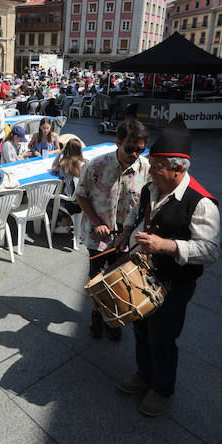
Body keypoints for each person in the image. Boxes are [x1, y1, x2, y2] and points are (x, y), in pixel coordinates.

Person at [113, 122, 220, 416]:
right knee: (140, 326)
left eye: (157, 166)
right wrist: (125, 232)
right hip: (145, 273)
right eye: (152, 164)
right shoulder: (152, 187)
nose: (150, 170)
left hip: (175, 282)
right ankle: (144, 374)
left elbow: (210, 250)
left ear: (178, 169)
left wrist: (167, 246)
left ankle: (162, 389)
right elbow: (137, 211)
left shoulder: (202, 203)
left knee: (162, 335)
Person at [75, 118, 149, 341]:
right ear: (117, 142)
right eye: (130, 148)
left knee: (121, 281)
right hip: (98, 238)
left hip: (127, 239)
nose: (135, 154)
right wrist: (96, 222)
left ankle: (113, 319)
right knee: (98, 280)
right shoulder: (96, 165)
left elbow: (149, 201)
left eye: (140, 150)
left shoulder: (146, 168)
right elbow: (81, 194)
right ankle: (97, 317)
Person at [51, 138, 87, 233]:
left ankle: (65, 223)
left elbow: (53, 167)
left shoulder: (64, 164)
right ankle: (69, 221)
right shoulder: (85, 162)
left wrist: (60, 153)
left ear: (66, 149)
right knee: (69, 189)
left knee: (57, 196)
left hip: (72, 201)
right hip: (85, 198)